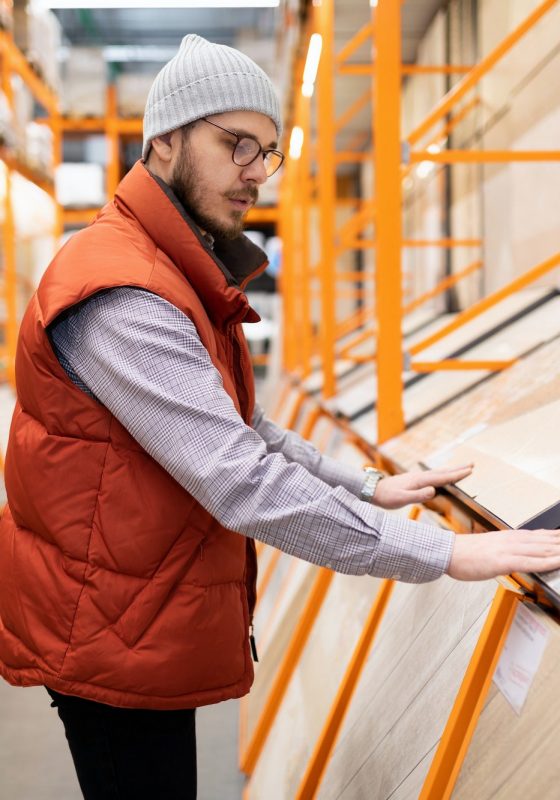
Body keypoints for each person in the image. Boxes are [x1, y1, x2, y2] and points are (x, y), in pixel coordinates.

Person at [0, 33, 559, 800]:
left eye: (268, 152)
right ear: (165, 139)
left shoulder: (169, 269)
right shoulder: (124, 295)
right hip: (107, 628)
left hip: (135, 608)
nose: (258, 174)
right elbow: (241, 479)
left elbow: (236, 425)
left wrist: (367, 488)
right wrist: (443, 555)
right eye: (238, 147)